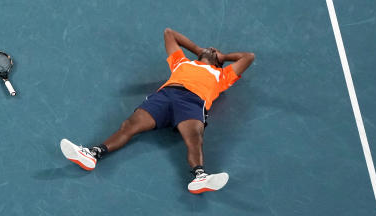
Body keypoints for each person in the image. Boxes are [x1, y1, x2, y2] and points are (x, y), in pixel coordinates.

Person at [60, 28, 255, 194]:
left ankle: (199, 177)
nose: (213, 50)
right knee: (129, 126)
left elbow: (248, 57)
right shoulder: (182, 62)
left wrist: (222, 57)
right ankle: (92, 155)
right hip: (165, 97)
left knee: (194, 138)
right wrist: (200, 51)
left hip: (193, 102)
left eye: (215, 52)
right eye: (212, 50)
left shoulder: (223, 75)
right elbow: (169, 33)